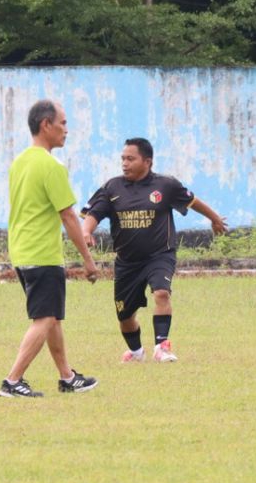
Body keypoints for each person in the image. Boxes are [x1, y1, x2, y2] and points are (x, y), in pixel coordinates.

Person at [82, 137, 228, 362]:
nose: (124, 163)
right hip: (127, 261)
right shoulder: (113, 187)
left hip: (160, 255)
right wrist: (86, 232)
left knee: (161, 292)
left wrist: (215, 218)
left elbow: (192, 201)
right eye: (123, 159)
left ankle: (162, 346)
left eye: (131, 159)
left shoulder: (165, 185)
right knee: (125, 314)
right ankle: (136, 352)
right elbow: (93, 213)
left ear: (147, 161)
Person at [0, 99, 101, 398]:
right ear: (46, 125)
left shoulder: (20, 161)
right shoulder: (51, 166)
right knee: (44, 318)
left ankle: (67, 377)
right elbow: (68, 215)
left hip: (22, 249)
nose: (66, 130)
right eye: (63, 123)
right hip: (42, 252)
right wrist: (88, 260)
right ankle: (13, 381)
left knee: (51, 316)